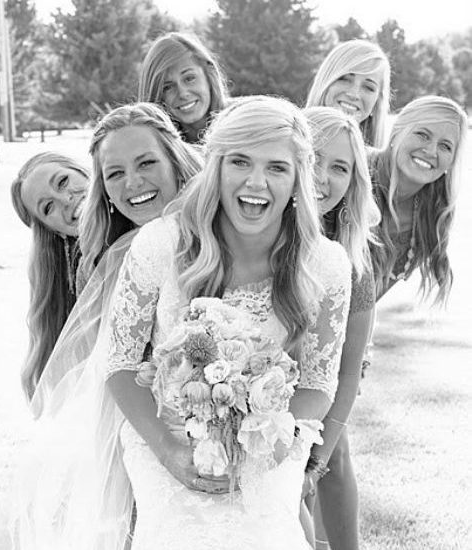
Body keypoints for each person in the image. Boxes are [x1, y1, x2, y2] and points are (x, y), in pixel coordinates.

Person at [104, 95, 352, 550]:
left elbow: (319, 384)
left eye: (276, 167)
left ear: (298, 179)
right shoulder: (161, 244)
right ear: (215, 168)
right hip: (168, 439)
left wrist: (266, 448)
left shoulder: (326, 264)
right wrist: (170, 451)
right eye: (240, 161)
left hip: (269, 444)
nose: (256, 182)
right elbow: (119, 366)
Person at [303, 107, 380, 550]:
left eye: (340, 168)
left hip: (307, 420)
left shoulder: (353, 263)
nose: (323, 177)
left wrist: (316, 463)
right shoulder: (246, 237)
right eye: (314, 158)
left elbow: (348, 373)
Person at [76, 101, 203, 291]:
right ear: (104, 189)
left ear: (176, 163)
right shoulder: (95, 265)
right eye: (116, 173)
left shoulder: (221, 235)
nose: (133, 183)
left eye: (146, 163)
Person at [370, 95, 468, 304]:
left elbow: (367, 302)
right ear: (397, 131)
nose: (431, 151)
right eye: (423, 135)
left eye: (445, 146)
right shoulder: (354, 170)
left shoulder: (431, 215)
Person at [10, 152, 89, 401]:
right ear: (55, 232)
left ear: (84, 172)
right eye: (48, 207)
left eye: (63, 181)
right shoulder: (87, 281)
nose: (65, 200)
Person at [137, 32, 229, 143]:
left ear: (209, 75)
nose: (182, 93)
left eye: (189, 78)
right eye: (167, 87)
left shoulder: (243, 126)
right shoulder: (152, 148)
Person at [306, 39, 390, 147]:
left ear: (377, 102)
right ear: (325, 81)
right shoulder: (288, 142)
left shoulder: (380, 157)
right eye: (345, 79)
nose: (354, 94)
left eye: (368, 87)